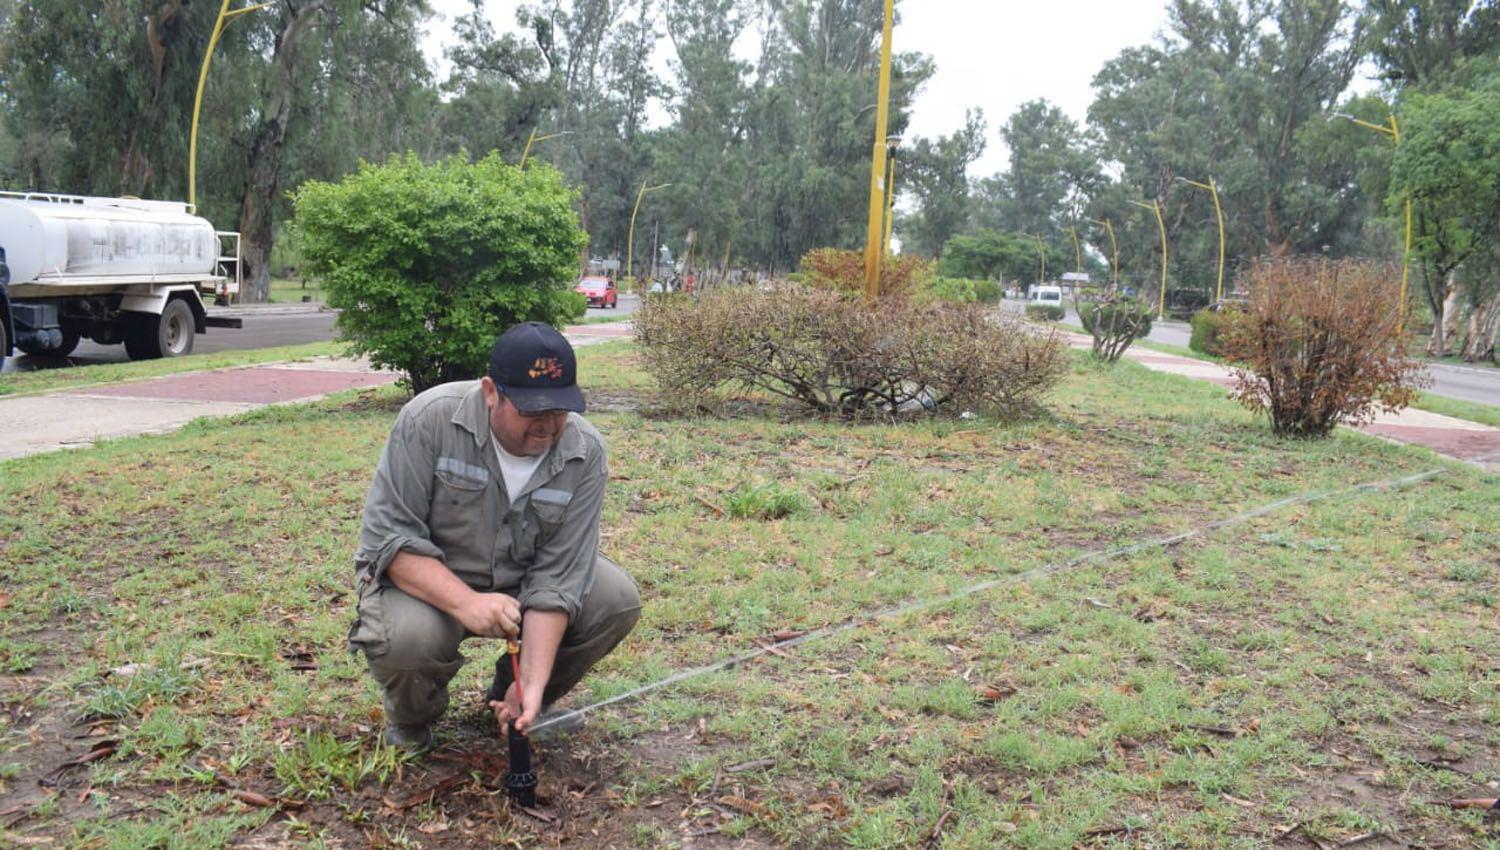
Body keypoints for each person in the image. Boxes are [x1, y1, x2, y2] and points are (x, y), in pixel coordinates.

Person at [348, 322, 641, 751]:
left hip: (522, 580)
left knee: (615, 599)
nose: (548, 426)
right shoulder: (428, 420)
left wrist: (533, 683)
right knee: (407, 638)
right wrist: (466, 603)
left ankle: (513, 699)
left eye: (559, 410)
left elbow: (559, 577)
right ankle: (413, 719)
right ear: (491, 391)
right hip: (429, 586)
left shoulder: (585, 451)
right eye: (531, 411)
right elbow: (389, 541)